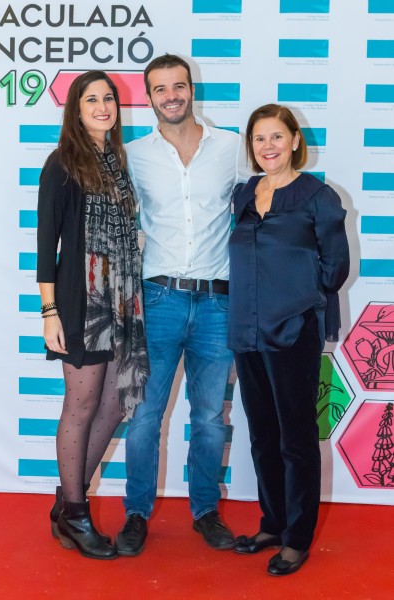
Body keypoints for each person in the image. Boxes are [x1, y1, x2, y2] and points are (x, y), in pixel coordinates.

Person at [115, 54, 247, 556]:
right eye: (160, 89)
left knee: (210, 417)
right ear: (149, 97)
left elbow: (267, 196)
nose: (171, 96)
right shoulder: (134, 155)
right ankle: (136, 514)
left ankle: (206, 511)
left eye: (179, 86)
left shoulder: (232, 148)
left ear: (192, 89)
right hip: (158, 300)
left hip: (218, 302)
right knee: (145, 416)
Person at [228, 104, 350, 575]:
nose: (268, 146)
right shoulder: (244, 193)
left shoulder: (318, 196)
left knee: (296, 439)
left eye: (277, 136)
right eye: (259, 138)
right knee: (262, 435)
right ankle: (273, 523)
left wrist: (296, 299)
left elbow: (335, 269)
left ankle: (297, 538)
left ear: (295, 140)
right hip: (246, 330)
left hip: (294, 331)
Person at [37, 70, 149, 560]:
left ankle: (67, 502)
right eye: (91, 100)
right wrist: (49, 312)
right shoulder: (62, 163)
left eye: (109, 98)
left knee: (116, 402)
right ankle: (77, 513)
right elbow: (47, 245)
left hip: (122, 298)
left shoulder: (119, 163)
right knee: (80, 405)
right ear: (76, 111)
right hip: (82, 301)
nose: (103, 106)